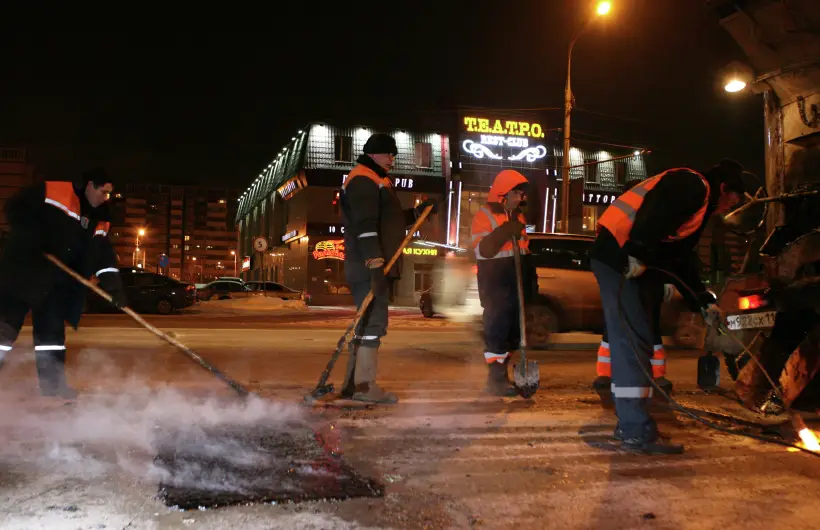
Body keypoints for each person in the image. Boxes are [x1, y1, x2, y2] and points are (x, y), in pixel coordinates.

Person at [590, 159, 746, 454]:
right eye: (732, 201)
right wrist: (636, 253)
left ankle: (632, 424)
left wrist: (702, 300)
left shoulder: (697, 209)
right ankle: (634, 429)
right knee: (631, 342)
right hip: (619, 260)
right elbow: (652, 216)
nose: (728, 210)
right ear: (724, 188)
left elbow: (681, 261)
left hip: (627, 261)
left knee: (640, 340)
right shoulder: (692, 185)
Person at [0, 169, 127, 398]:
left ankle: (54, 388)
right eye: (103, 192)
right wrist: (31, 238)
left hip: (56, 284)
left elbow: (103, 256)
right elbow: (15, 207)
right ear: (90, 185)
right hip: (24, 272)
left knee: (51, 339)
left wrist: (114, 286)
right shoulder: (56, 191)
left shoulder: (101, 219)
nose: (105, 198)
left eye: (109, 194)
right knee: (4, 332)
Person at [339, 133, 437, 404]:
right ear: (373, 154)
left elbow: (389, 223)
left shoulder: (378, 181)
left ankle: (353, 384)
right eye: (388, 154)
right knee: (373, 324)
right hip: (368, 265)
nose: (392, 159)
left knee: (367, 324)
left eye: (393, 154)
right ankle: (363, 387)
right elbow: (366, 226)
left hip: (375, 265)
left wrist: (418, 213)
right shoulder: (363, 180)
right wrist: (375, 266)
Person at [593, 179, 675, 397]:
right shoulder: (629, 215)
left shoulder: (647, 214)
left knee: (644, 324)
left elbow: (667, 249)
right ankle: (613, 374)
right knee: (623, 324)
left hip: (647, 278)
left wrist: (667, 280)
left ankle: (652, 375)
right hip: (630, 274)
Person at [470, 169, 535, 397]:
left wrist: (530, 286)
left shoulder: (519, 217)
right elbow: (483, 250)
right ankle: (496, 380)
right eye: (517, 193)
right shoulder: (484, 216)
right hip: (495, 283)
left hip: (514, 282)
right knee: (496, 332)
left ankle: (504, 374)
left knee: (511, 335)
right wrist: (506, 231)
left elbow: (525, 252)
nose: (521, 198)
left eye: (521, 194)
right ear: (502, 194)